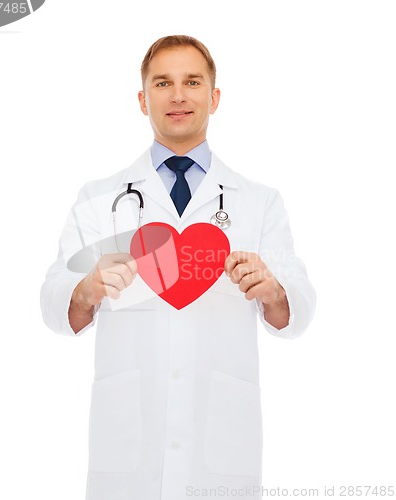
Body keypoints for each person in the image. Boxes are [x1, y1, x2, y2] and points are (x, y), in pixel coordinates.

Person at [41, 35, 316, 500]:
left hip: (221, 439)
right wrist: (84, 290)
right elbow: (52, 297)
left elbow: (300, 304)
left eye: (192, 81)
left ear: (214, 97)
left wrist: (273, 290)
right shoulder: (98, 197)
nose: (178, 95)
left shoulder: (259, 201)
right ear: (142, 98)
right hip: (128, 441)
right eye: (162, 82)